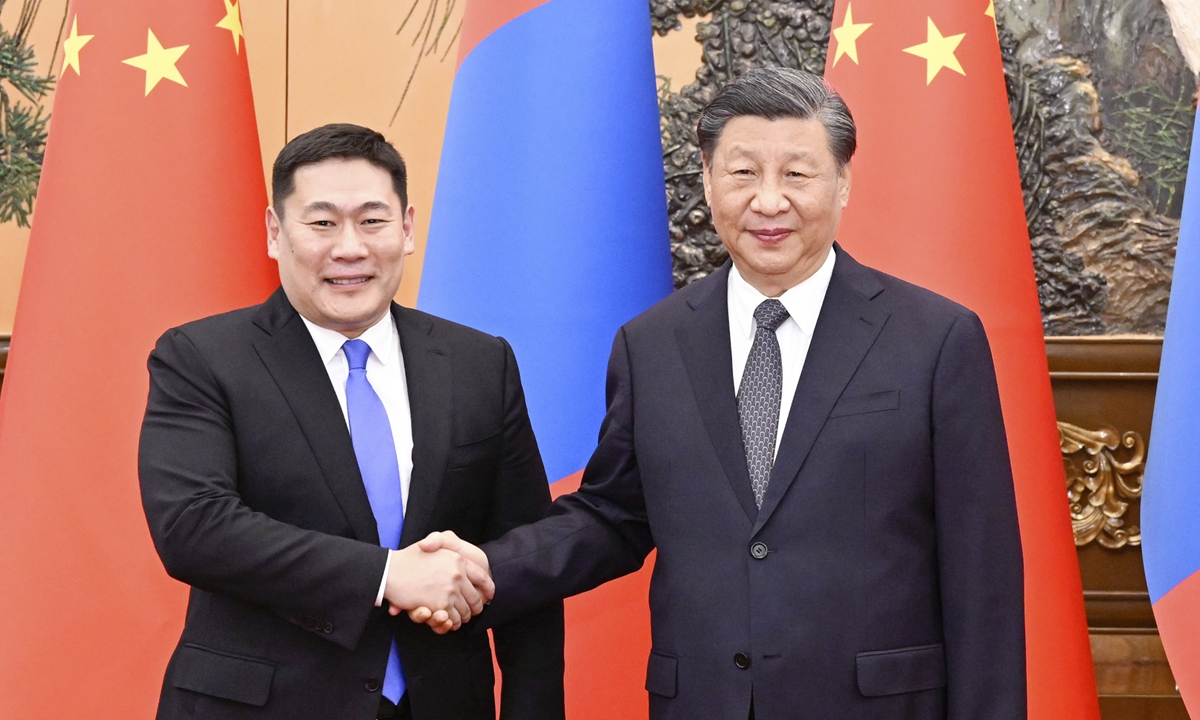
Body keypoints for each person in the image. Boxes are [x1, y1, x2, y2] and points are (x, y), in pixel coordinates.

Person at [418, 67, 1027, 719]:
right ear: (708, 182)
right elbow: (612, 518)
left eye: (797, 174)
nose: (769, 202)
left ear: (843, 182)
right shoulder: (651, 344)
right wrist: (485, 566)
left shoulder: (936, 339)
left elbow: (982, 576)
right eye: (743, 174)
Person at [138, 123, 564, 720]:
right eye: (321, 223)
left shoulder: (478, 362)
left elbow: (525, 554)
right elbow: (194, 527)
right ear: (274, 232)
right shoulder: (202, 358)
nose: (350, 248)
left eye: (372, 220)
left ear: (408, 228)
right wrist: (387, 576)